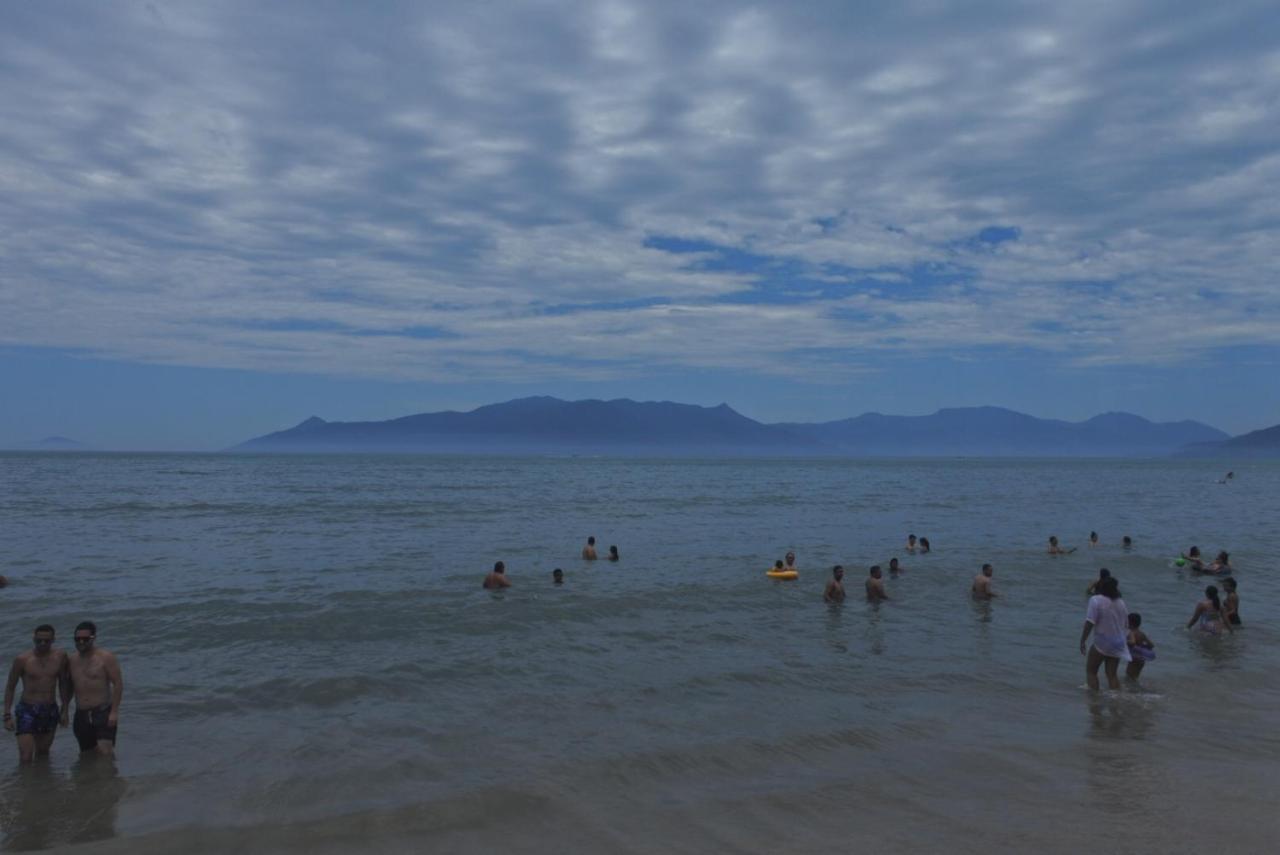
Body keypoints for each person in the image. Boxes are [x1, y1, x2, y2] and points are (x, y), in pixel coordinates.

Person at [4, 625, 70, 763]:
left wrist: (65, 709)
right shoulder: (22, 659)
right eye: (39, 640)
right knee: (26, 756)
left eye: (46, 641)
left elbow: (63, 683)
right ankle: (25, 783)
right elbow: (10, 687)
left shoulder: (61, 657)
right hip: (27, 709)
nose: (42, 644)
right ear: (33, 639)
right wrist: (7, 715)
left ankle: (42, 783)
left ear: (53, 639)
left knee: (43, 753)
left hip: (50, 709)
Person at [68, 621, 123, 757]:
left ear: (93, 638)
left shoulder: (106, 658)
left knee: (106, 753)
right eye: (77, 639)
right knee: (86, 755)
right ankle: (90, 779)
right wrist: (64, 709)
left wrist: (114, 712)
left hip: (102, 711)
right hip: (81, 713)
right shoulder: (71, 660)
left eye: (85, 639)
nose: (81, 642)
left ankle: (108, 778)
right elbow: (68, 686)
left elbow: (118, 684)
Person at [1079, 576, 1130, 690]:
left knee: (1091, 671)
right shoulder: (1120, 602)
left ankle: (1094, 699)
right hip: (1118, 642)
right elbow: (1126, 623)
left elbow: (1090, 622)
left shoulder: (1096, 600)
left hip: (1103, 642)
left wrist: (1083, 640)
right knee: (1111, 674)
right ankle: (1116, 699)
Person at [1125, 614, 1155, 680]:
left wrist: (1124, 641)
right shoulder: (1142, 633)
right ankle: (1135, 689)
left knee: (1129, 675)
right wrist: (1142, 647)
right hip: (1141, 659)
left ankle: (1130, 689)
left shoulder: (1131, 633)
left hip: (1134, 658)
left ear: (1130, 623)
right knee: (1135, 677)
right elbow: (1151, 645)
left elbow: (1133, 642)